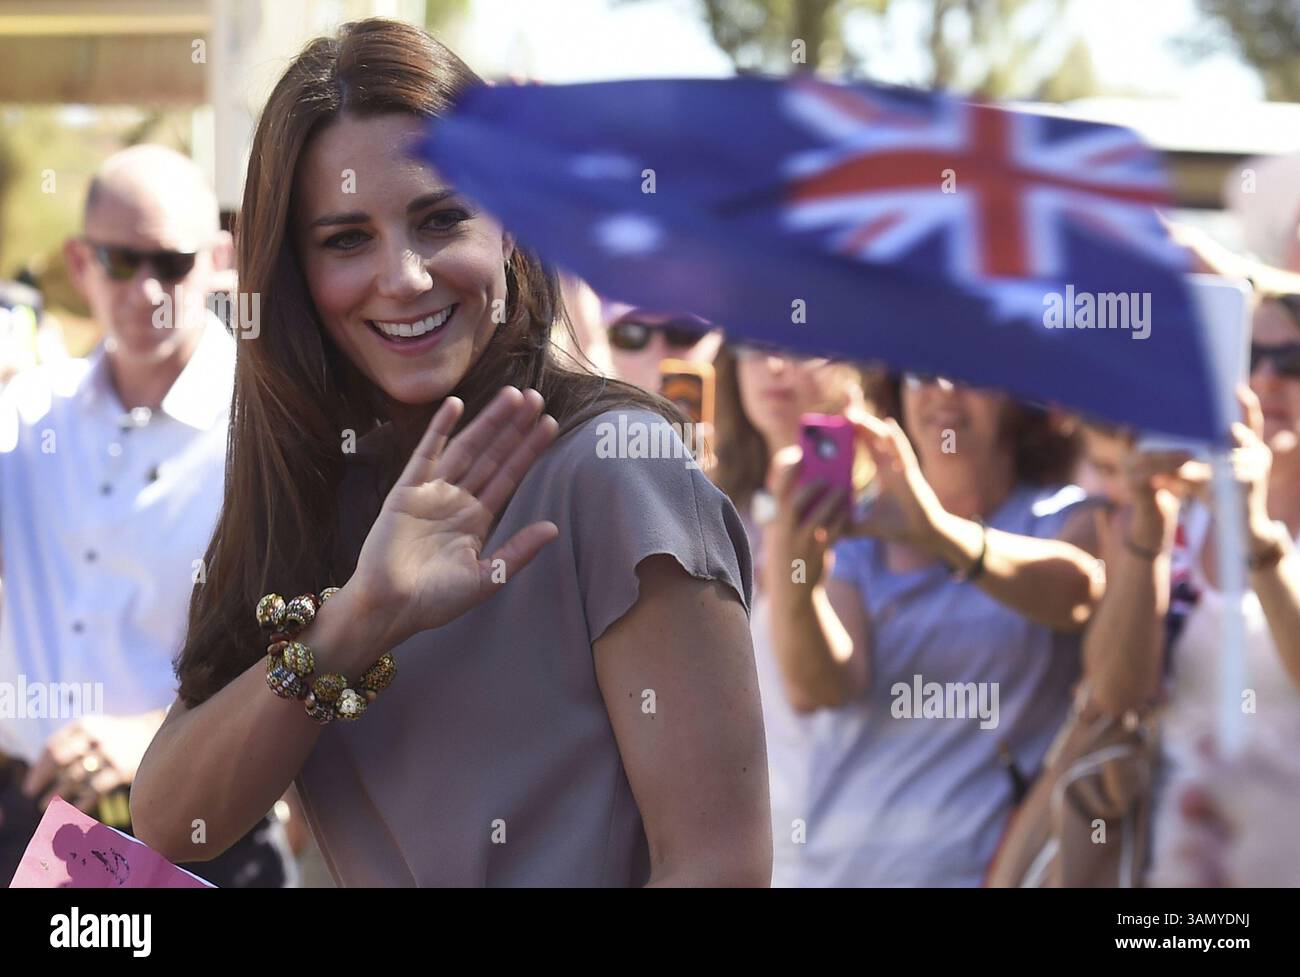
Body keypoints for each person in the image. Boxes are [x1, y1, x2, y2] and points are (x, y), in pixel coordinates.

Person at [129, 18, 769, 888]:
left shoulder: (618, 469)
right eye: (346, 239)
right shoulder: (310, 482)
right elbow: (174, 821)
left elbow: (717, 866)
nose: (405, 277)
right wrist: (357, 621)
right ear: (293, 274)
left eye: (440, 219)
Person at [0, 145, 294, 886]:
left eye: (172, 261)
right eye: (121, 261)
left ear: (222, 258)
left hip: (206, 834)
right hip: (32, 829)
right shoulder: (25, 413)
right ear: (80, 261)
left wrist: (148, 739)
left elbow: (317, 640)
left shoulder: (272, 431)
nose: (148, 289)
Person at [764, 373, 1105, 885]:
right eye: (921, 369)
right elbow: (819, 689)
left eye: (970, 370)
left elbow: (1078, 592)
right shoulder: (859, 534)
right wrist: (796, 577)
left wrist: (936, 532)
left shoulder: (1066, 517)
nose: (943, 388)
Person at [1078, 278, 1300, 886]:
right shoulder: (1184, 510)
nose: (1268, 380)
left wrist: (1254, 535)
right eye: (1250, 357)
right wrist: (1149, 523)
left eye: (1294, 360)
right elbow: (1116, 692)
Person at [708, 341, 868, 886]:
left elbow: (821, 689)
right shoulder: (710, 504)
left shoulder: (885, 513)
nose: (773, 367)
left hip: (851, 848)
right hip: (742, 844)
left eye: (798, 345)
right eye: (751, 347)